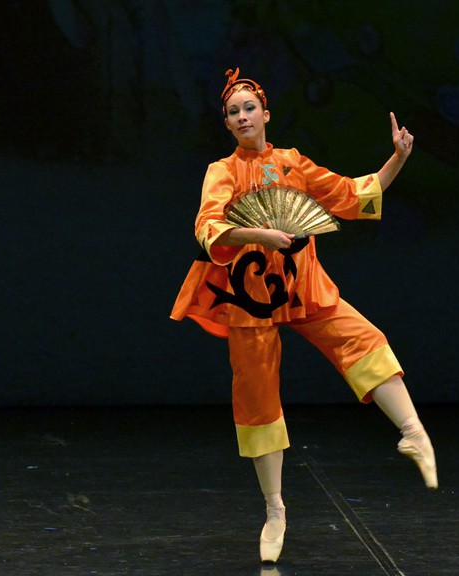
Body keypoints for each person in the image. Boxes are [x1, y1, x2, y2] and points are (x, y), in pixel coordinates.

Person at [170, 70, 437, 564]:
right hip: (250, 296)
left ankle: (413, 431)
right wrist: (260, 236)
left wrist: (398, 158)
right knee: (256, 396)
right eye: (233, 112)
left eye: (249, 108)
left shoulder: (293, 162)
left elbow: (352, 195)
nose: (242, 117)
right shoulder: (222, 171)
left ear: (266, 115)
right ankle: (275, 509)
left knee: (362, 337)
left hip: (302, 285)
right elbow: (208, 228)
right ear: (226, 123)